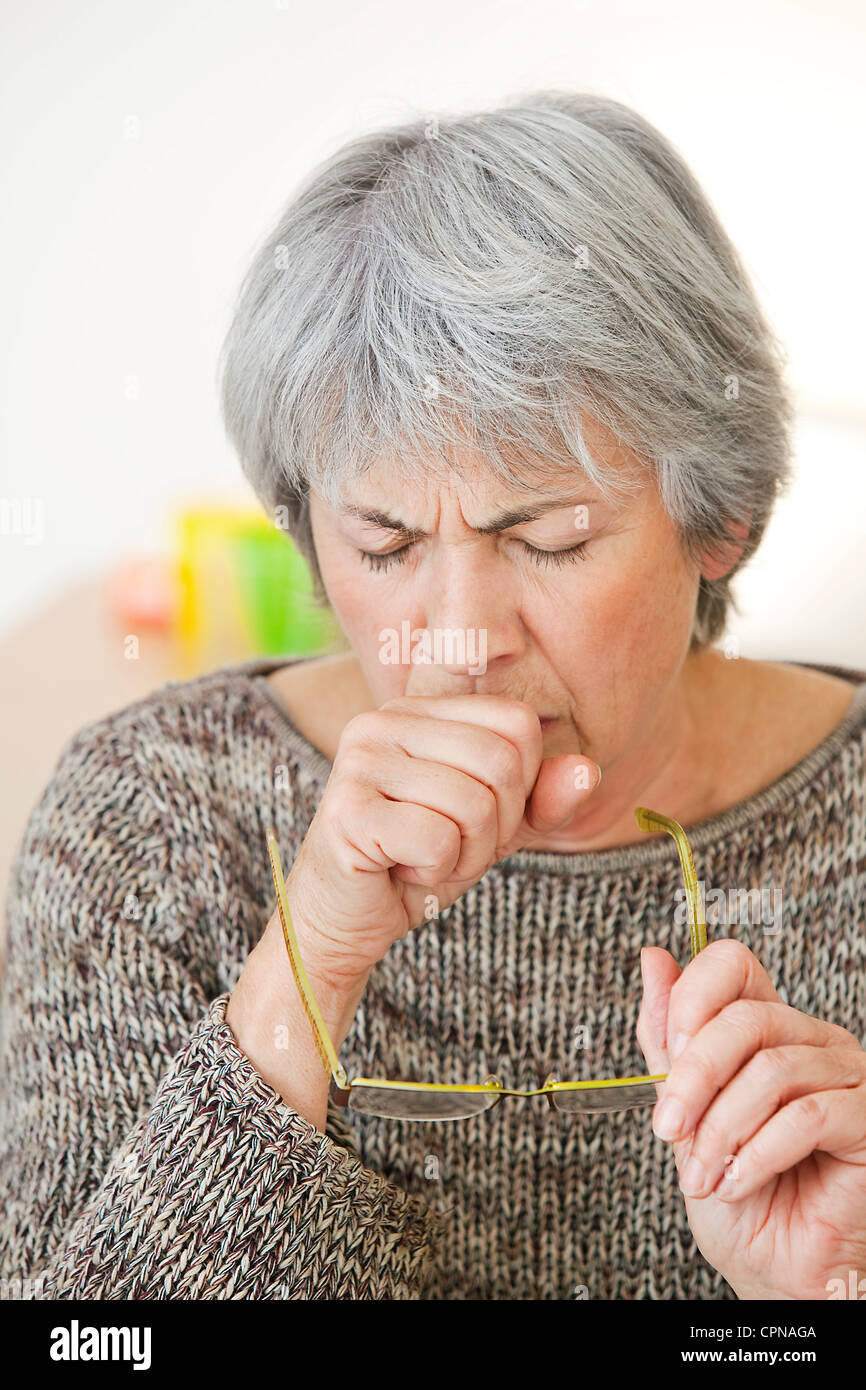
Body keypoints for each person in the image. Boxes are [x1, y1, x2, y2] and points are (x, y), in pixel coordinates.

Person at [2, 90, 865, 1301]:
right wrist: (306, 964)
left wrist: (822, 1300)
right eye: (386, 540)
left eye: (551, 539)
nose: (458, 640)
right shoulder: (146, 826)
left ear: (715, 516)